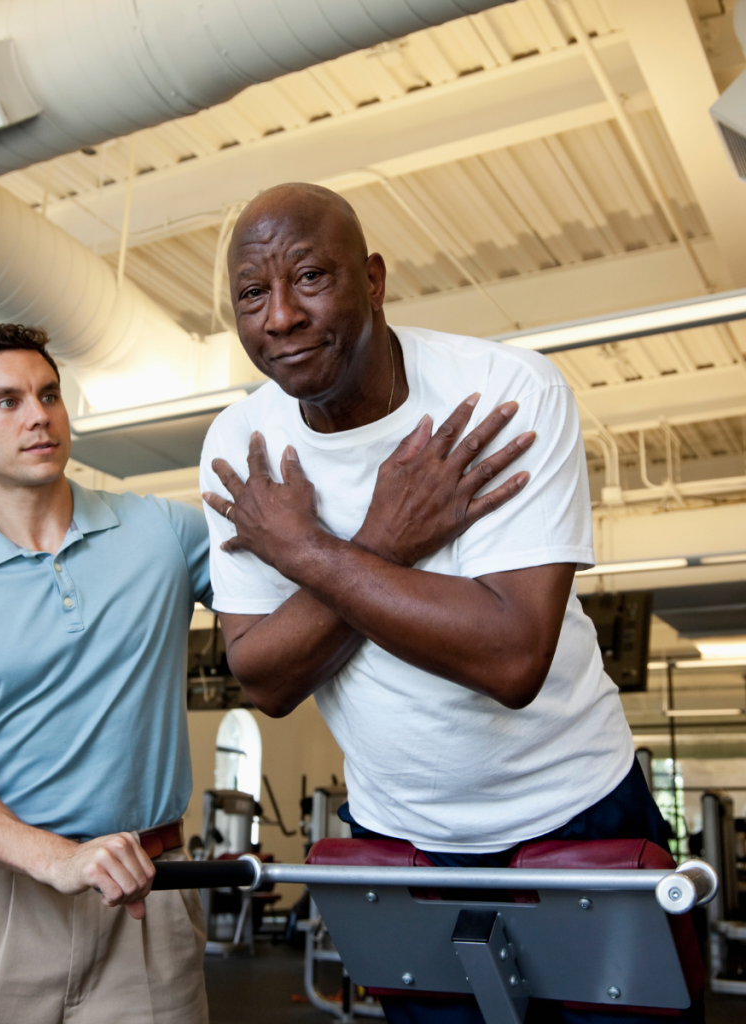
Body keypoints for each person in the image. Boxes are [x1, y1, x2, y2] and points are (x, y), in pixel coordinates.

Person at [199, 184, 673, 1023]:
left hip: (573, 809)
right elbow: (265, 681)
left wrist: (309, 552)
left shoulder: (500, 392)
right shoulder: (242, 447)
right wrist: (384, 540)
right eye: (251, 293)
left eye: (309, 277)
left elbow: (512, 657)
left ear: (373, 280)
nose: (279, 317)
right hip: (400, 839)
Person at [0, 324, 212, 1024]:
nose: (39, 415)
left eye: (50, 394)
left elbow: (297, 602)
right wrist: (58, 858)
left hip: (145, 898)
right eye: (6, 401)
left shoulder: (165, 535)